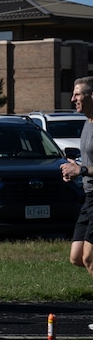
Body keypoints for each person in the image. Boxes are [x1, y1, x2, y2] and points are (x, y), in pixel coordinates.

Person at [61, 76, 93, 278]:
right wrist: (74, 169)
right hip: (89, 197)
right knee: (76, 256)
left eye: (78, 94)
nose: (73, 99)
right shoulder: (87, 123)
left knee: (89, 257)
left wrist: (80, 170)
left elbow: (86, 167)